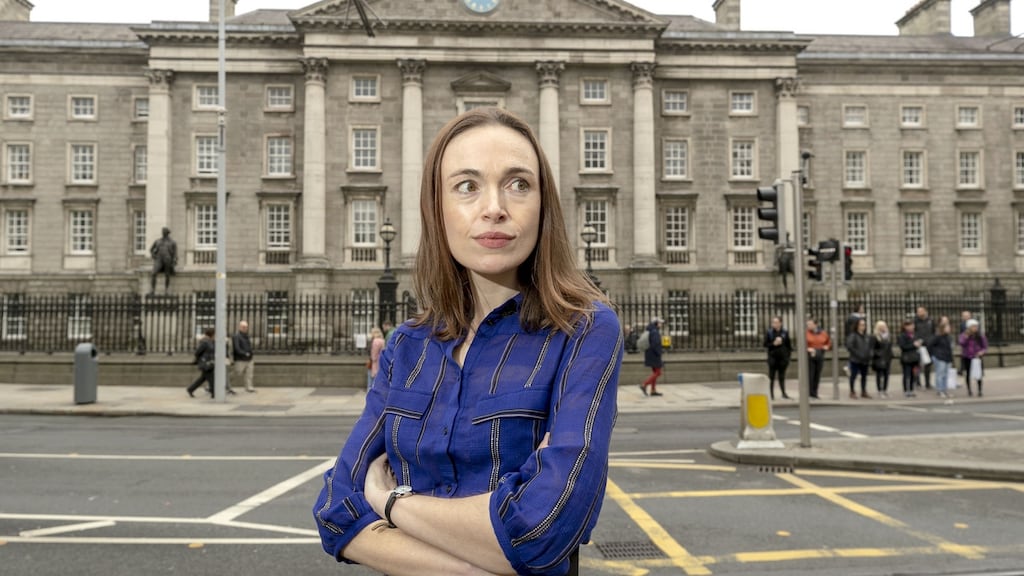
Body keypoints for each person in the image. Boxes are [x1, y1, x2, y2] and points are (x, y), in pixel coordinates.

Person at [313, 108, 621, 576]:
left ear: (544, 205)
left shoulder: (583, 330)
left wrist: (388, 502)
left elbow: (542, 531)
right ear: (438, 209)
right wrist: (492, 548)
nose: (494, 206)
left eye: (519, 184)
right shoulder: (407, 345)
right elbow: (336, 512)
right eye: (467, 186)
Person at [763, 316, 791, 400]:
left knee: (782, 376)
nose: (774, 324)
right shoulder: (769, 332)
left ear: (780, 323)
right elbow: (765, 344)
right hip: (773, 357)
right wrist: (773, 344)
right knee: (771, 376)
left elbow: (788, 345)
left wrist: (787, 357)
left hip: (782, 358)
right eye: (773, 322)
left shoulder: (785, 332)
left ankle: (783, 393)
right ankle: (771, 394)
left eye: (776, 322)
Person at [959, 318, 988, 397]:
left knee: (979, 374)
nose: (975, 328)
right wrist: (966, 337)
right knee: (968, 374)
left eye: (976, 326)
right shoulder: (964, 335)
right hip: (967, 357)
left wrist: (982, 352)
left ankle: (979, 390)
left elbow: (985, 346)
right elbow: (962, 343)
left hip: (977, 357)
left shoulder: (980, 336)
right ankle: (969, 390)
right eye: (973, 326)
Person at [928, 318, 954, 399]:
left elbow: (950, 348)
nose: (949, 329)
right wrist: (934, 355)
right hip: (939, 357)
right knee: (940, 375)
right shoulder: (937, 337)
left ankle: (944, 390)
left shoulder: (949, 337)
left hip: (947, 357)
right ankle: (940, 390)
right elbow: (930, 345)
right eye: (947, 327)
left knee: (946, 375)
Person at [846, 318, 872, 399]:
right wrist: (858, 354)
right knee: (853, 376)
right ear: (857, 326)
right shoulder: (853, 335)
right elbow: (850, 346)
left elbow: (870, 346)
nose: (862, 327)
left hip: (865, 359)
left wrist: (869, 354)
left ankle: (863, 391)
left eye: (864, 325)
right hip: (855, 359)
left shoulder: (866, 336)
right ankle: (852, 391)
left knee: (864, 376)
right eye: (861, 325)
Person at [805, 318, 831, 399]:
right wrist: (808, 349)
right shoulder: (806, 333)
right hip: (810, 355)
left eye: (810, 324)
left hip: (820, 354)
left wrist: (827, 347)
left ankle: (815, 392)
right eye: (808, 324)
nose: (808, 326)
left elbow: (828, 342)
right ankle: (810, 392)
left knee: (817, 374)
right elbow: (803, 343)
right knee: (810, 374)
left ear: (815, 325)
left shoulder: (822, 333)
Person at [187, 327, 216, 398]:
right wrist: (202, 359)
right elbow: (197, 352)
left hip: (209, 362)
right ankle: (213, 393)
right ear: (211, 334)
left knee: (203, 378)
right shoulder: (205, 342)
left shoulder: (210, 341)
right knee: (211, 378)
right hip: (206, 363)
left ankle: (190, 389)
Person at [897, 319, 922, 398]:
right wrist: (913, 345)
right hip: (907, 358)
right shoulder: (902, 336)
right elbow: (903, 347)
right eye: (910, 325)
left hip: (915, 358)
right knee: (906, 374)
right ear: (905, 327)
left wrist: (919, 344)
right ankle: (906, 390)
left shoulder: (915, 335)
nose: (912, 327)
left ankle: (911, 389)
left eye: (912, 325)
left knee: (913, 375)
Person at [640, 317, 665, 397]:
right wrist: (659, 352)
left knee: (655, 372)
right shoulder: (654, 332)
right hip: (654, 355)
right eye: (660, 323)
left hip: (650, 354)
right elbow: (655, 344)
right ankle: (644, 384)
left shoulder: (651, 330)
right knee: (658, 372)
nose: (661, 324)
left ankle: (653, 390)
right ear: (656, 323)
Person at [149, 227, 177, 295]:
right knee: (153, 273)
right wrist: (153, 255)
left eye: (164, 232)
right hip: (159, 259)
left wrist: (174, 261)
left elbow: (175, 254)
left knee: (167, 275)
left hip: (167, 259)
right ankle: (152, 290)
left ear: (167, 233)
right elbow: (151, 249)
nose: (163, 233)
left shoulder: (172, 242)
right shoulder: (158, 241)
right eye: (163, 232)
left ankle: (166, 290)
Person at [870, 321, 893, 398]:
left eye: (885, 326)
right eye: (882, 326)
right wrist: (878, 354)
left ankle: (885, 390)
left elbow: (890, 347)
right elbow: (872, 348)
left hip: (887, 358)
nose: (884, 328)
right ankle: (880, 390)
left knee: (886, 375)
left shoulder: (888, 336)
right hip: (879, 358)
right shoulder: (875, 337)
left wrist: (891, 355)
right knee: (879, 375)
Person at [231, 320, 256, 393]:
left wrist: (250, 353)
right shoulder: (236, 336)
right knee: (236, 372)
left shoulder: (247, 336)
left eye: (246, 327)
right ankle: (226, 384)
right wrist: (244, 353)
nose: (245, 328)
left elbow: (249, 346)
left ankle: (249, 386)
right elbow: (236, 348)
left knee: (249, 374)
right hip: (240, 358)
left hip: (249, 358)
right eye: (243, 327)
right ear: (240, 327)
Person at [914, 306, 935, 389]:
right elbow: (914, 332)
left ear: (925, 311)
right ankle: (917, 381)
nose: (920, 313)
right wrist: (916, 340)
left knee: (928, 365)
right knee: (917, 365)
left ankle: (927, 383)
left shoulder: (930, 321)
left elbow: (933, 332)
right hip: (919, 345)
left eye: (921, 311)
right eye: (918, 311)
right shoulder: (915, 321)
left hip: (928, 345)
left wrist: (931, 340)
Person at [366, 326, 385, 391]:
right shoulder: (382, 340)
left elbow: (374, 354)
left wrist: (372, 359)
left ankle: (370, 391)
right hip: (380, 361)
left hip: (375, 362)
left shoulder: (376, 341)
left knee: (371, 377)